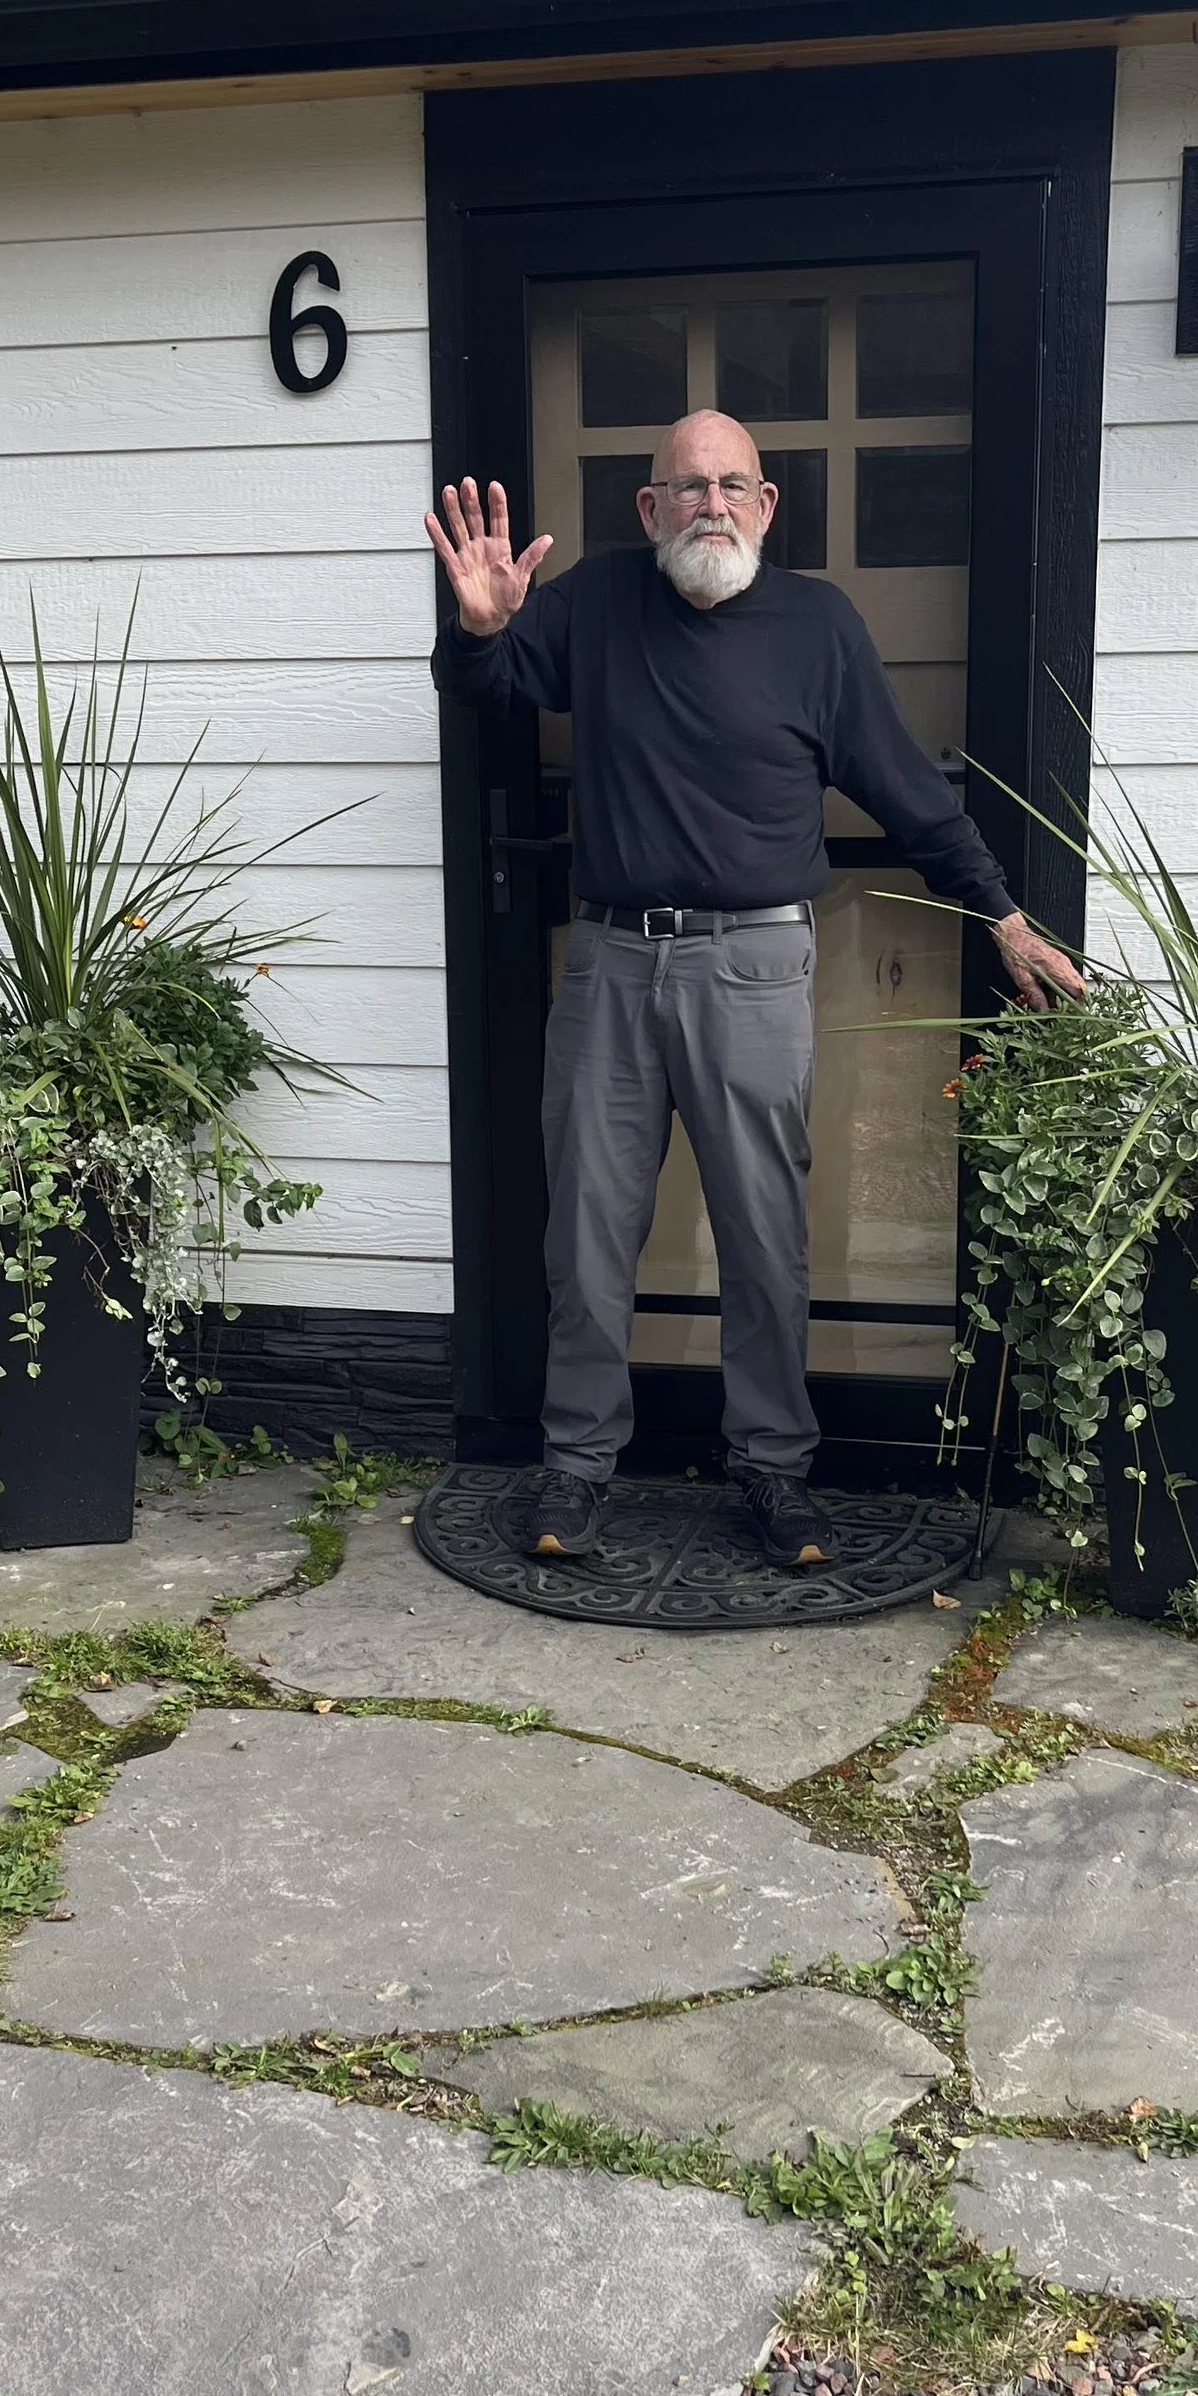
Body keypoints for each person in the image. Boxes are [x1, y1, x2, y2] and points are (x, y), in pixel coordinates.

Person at [428, 410, 1083, 1569]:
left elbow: (903, 788)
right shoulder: (592, 603)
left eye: (732, 485)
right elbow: (490, 681)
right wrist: (478, 629)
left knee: (763, 1234)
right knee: (585, 1238)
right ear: (649, 508)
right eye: (685, 487)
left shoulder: (818, 627)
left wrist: (1000, 914)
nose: (710, 506)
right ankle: (576, 1471)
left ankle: (775, 1473)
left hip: (755, 967)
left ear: (768, 505)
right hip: (613, 963)